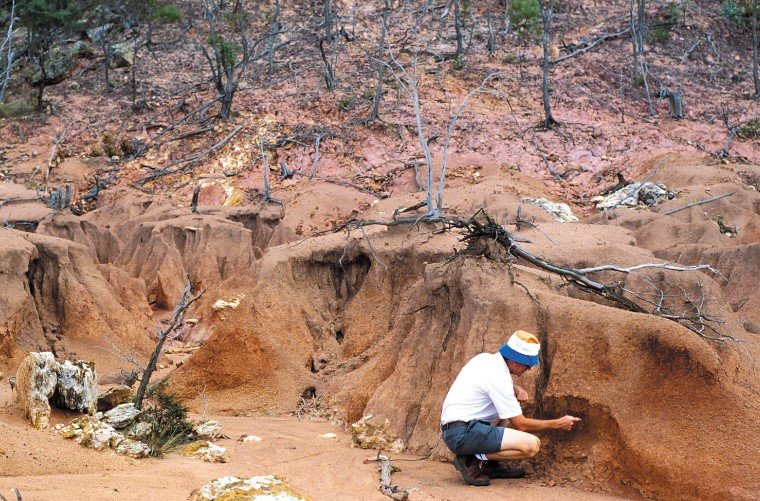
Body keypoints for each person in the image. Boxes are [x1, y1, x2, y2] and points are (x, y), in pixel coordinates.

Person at [440, 330, 581, 486]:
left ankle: (494, 465)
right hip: (462, 434)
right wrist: (557, 424)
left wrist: (515, 389)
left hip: (457, 429)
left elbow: (490, 384)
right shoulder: (499, 378)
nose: (529, 369)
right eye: (527, 364)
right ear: (515, 361)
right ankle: (471, 458)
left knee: (512, 405)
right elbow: (520, 424)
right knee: (532, 446)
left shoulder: (486, 359)